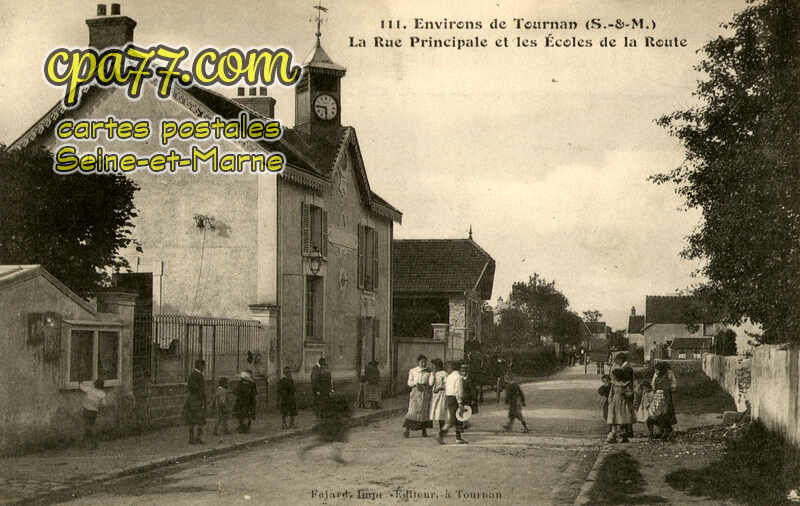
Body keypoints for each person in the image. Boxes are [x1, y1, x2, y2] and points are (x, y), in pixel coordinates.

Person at [300, 393, 352, 463]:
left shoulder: (332, 405)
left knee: (328, 440)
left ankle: (336, 456)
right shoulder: (339, 406)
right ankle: (336, 456)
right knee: (337, 439)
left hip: (334, 425)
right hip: (335, 425)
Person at [438, 360, 468, 445]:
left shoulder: (449, 376)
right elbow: (458, 391)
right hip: (454, 398)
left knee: (457, 418)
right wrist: (460, 402)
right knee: (453, 418)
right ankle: (441, 434)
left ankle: (458, 438)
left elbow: (446, 388)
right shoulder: (458, 377)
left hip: (448, 397)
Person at [403, 355, 433, 437]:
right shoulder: (413, 371)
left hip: (424, 392)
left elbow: (430, 383)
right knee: (412, 411)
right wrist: (415, 384)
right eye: (421, 362)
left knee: (423, 411)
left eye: (425, 362)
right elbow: (409, 383)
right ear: (418, 362)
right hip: (415, 392)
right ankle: (407, 430)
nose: (423, 364)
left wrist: (432, 374)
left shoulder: (429, 372)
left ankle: (424, 431)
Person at [606, 367, 634, 443]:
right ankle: (613, 435)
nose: (612, 377)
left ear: (617, 376)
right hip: (615, 402)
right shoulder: (613, 384)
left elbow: (630, 392)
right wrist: (610, 401)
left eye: (613, 376)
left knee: (622, 419)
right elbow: (611, 393)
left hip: (623, 402)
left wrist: (626, 394)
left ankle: (622, 435)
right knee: (614, 419)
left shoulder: (625, 384)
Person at [651, 361, 678, 439]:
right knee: (657, 413)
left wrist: (669, 389)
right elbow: (653, 385)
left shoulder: (667, 375)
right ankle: (662, 430)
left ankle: (667, 430)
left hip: (665, 396)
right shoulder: (656, 376)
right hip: (657, 396)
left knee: (665, 413)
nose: (655, 371)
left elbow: (672, 385)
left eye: (657, 370)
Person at [79, 378, 106, 450]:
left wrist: (80, 381)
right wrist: (98, 404)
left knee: (87, 427)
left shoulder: (90, 389)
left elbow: (81, 387)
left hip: (86, 410)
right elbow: (104, 404)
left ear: (95, 384)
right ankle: (84, 443)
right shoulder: (102, 393)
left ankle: (93, 443)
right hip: (94, 412)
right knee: (89, 426)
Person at [185, 358, 207, 444]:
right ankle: (194, 438)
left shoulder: (196, 374)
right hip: (195, 400)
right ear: (200, 365)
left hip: (195, 399)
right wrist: (201, 396)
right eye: (203, 366)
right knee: (196, 419)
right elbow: (194, 387)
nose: (204, 367)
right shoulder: (196, 375)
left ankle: (196, 437)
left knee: (197, 419)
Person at [428, 358, 448, 432]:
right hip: (435, 395)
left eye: (434, 366)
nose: (433, 367)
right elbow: (430, 383)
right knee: (435, 411)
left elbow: (446, 384)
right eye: (432, 366)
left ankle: (442, 428)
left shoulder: (444, 373)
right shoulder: (433, 374)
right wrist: (432, 375)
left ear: (438, 366)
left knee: (440, 411)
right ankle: (437, 428)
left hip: (442, 394)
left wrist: (439, 388)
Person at [461, 362, 479, 429]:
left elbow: (473, 389)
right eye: (462, 370)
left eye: (465, 370)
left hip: (468, 397)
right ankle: (463, 422)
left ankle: (465, 423)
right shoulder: (460, 378)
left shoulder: (470, 379)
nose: (464, 372)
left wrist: (474, 398)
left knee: (467, 410)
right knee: (461, 410)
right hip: (461, 396)